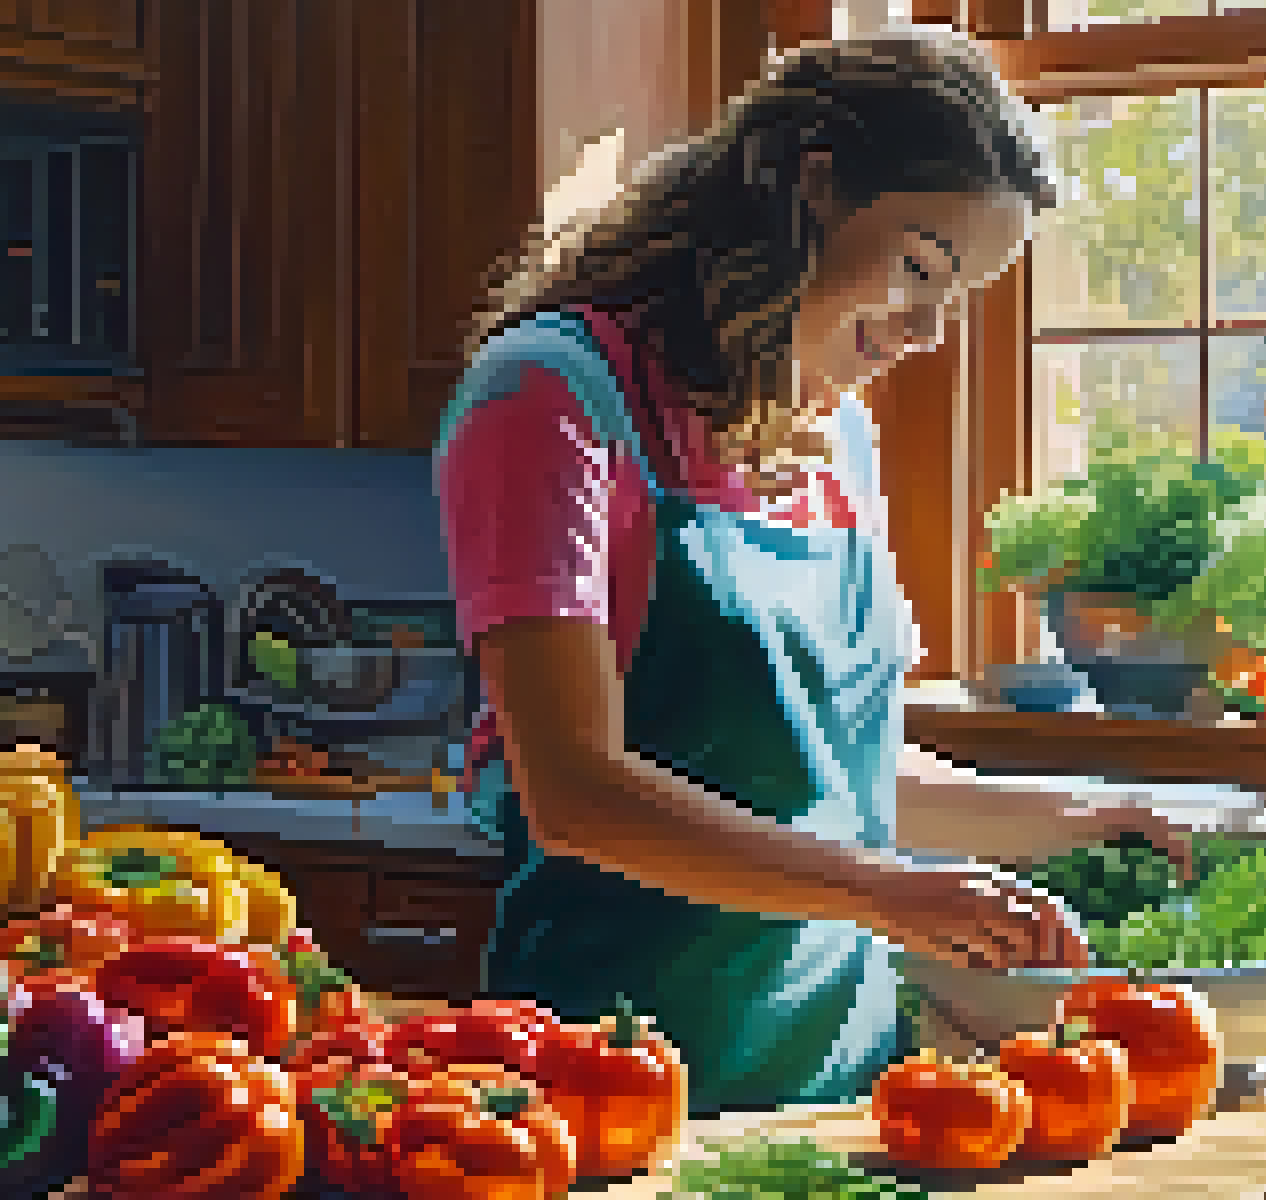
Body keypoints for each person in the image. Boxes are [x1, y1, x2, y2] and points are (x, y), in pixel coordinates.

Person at [435, 31, 1199, 1116]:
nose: (929, 329)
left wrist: (1081, 818)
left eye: (958, 294)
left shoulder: (835, 440)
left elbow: (838, 773)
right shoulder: (552, 395)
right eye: (919, 267)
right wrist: (885, 890)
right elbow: (575, 793)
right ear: (813, 186)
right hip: (604, 1090)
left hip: (845, 1095)